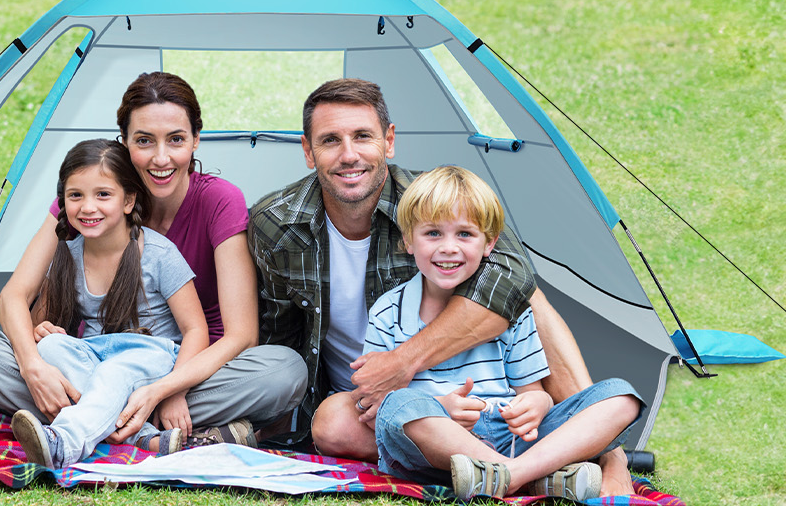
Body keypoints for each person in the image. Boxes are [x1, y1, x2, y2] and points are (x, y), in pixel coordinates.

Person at [248, 78, 636, 495]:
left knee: (530, 300)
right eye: (330, 140)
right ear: (308, 151)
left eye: (363, 136)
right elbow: (280, 335)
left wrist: (403, 362)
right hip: (383, 405)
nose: (349, 155)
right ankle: (536, 470)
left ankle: (595, 460)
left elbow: (514, 276)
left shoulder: (431, 202)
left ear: (389, 140)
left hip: (488, 405)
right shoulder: (276, 223)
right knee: (335, 420)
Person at [0, 72, 304, 446]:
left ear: (196, 140)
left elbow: (242, 335)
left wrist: (167, 389)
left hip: (192, 373)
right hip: (90, 364)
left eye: (176, 140)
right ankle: (146, 431)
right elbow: (13, 297)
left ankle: (90, 421)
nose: (161, 157)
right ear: (124, 143)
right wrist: (33, 366)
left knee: (284, 371)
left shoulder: (219, 201)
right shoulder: (90, 201)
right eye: (144, 141)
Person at [365, 165, 642, 500]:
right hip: (439, 444)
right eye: (433, 233)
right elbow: (379, 405)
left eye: (464, 234)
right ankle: (529, 476)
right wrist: (441, 407)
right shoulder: (387, 312)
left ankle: (508, 475)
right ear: (408, 240)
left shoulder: (510, 311)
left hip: (508, 433)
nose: (449, 247)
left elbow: (534, 391)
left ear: (489, 243)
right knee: (399, 406)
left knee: (621, 396)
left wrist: (535, 406)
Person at [6, 139, 209, 468]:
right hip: (95, 355)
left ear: (129, 200)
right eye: (76, 196)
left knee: (113, 373)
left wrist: (174, 390)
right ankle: (142, 436)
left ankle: (63, 443)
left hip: (151, 356)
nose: (88, 207)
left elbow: (196, 329)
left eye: (103, 195)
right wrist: (41, 331)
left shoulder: (160, 254)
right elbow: (37, 325)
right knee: (52, 348)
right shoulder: (67, 256)